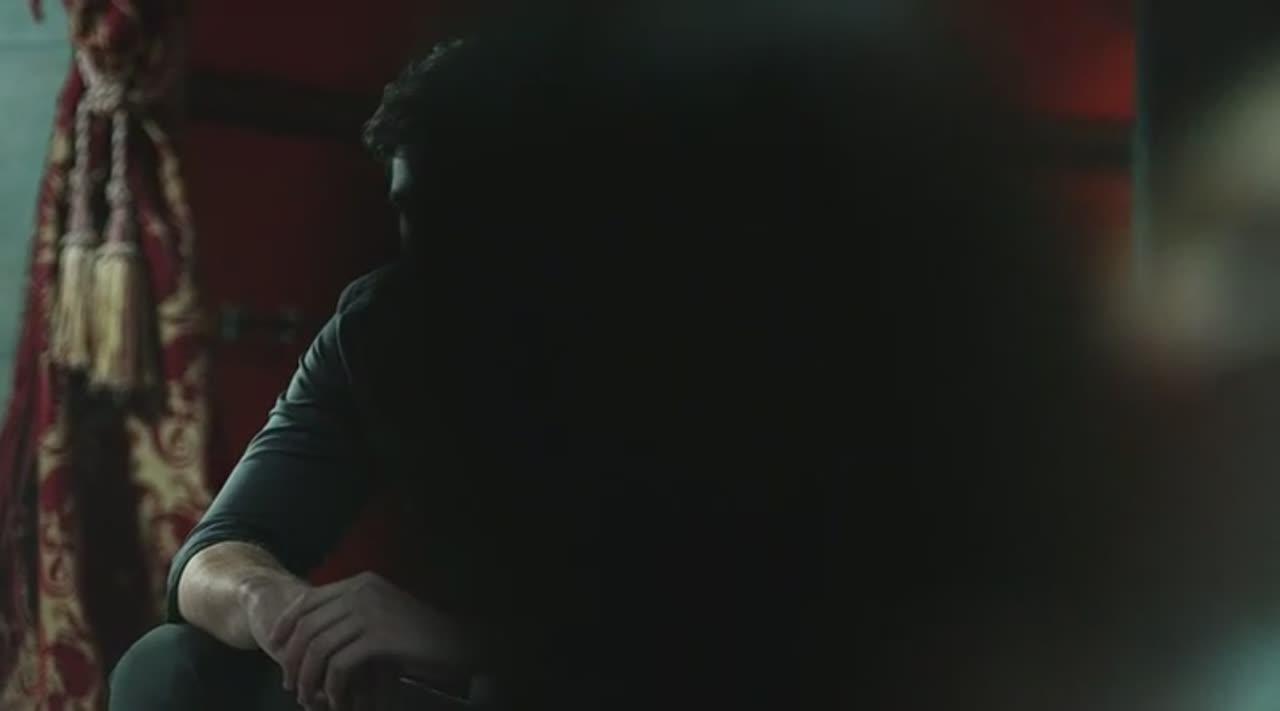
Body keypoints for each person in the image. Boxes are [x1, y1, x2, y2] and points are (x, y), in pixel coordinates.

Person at [109, 2, 1100, 710]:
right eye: (419, 214)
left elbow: (795, 635)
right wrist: (285, 609)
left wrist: (465, 642)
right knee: (169, 671)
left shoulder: (696, 335)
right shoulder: (380, 329)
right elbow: (210, 556)